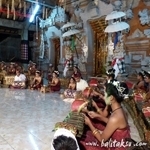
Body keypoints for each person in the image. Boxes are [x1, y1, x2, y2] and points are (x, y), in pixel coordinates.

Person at [78, 83, 130, 150]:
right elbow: (112, 123)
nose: (103, 96)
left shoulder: (115, 117)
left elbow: (102, 139)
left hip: (116, 147)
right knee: (88, 133)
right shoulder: (121, 110)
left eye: (105, 94)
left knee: (82, 142)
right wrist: (97, 116)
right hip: (118, 142)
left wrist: (89, 123)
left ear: (111, 97)